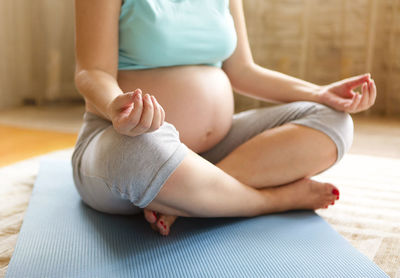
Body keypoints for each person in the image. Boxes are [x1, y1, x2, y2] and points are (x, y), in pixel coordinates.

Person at [72, 0, 377, 236]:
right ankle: (271, 200)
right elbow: (92, 72)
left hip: (215, 149)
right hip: (125, 140)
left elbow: (242, 70)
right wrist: (117, 107)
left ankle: (191, 196)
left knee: (334, 122)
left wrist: (319, 94)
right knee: (139, 152)